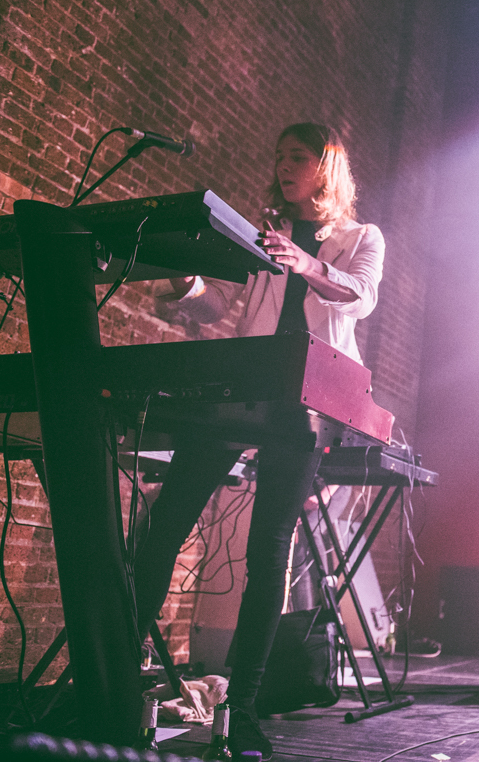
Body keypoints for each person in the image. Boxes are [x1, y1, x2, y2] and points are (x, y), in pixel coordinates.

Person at [136, 122, 384, 759]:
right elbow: (221, 306)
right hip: (240, 385)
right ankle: (117, 674)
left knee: (268, 549)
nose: (282, 166)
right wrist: (183, 285)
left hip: (304, 398)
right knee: (168, 520)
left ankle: (240, 706)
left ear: (326, 167)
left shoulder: (361, 238)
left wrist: (306, 262)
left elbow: (359, 298)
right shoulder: (261, 236)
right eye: (277, 156)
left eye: (296, 157)